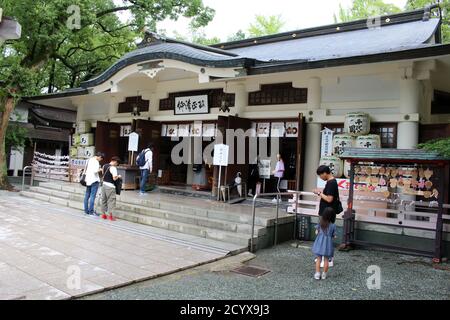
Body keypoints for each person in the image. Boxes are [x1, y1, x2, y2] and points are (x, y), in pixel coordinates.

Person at [313, 165, 342, 267]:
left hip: (326, 214)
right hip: (328, 213)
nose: (320, 177)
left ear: (325, 173)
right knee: (325, 236)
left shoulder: (331, 183)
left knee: (324, 235)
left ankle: (328, 259)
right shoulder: (331, 182)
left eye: (320, 175)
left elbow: (329, 199)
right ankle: (324, 257)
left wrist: (319, 192)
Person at [312, 207, 336, 280]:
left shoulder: (320, 223)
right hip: (328, 245)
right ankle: (324, 274)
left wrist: (319, 232)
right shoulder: (333, 225)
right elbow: (334, 236)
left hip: (319, 243)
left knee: (318, 259)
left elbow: (316, 232)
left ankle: (317, 273)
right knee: (326, 260)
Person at [100, 156, 122, 221]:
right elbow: (114, 178)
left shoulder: (104, 166)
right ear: (115, 162)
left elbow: (103, 174)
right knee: (111, 201)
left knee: (104, 200)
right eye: (117, 163)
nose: (117, 165)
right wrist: (119, 176)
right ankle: (111, 216)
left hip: (104, 185)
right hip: (110, 186)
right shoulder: (113, 168)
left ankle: (103, 215)